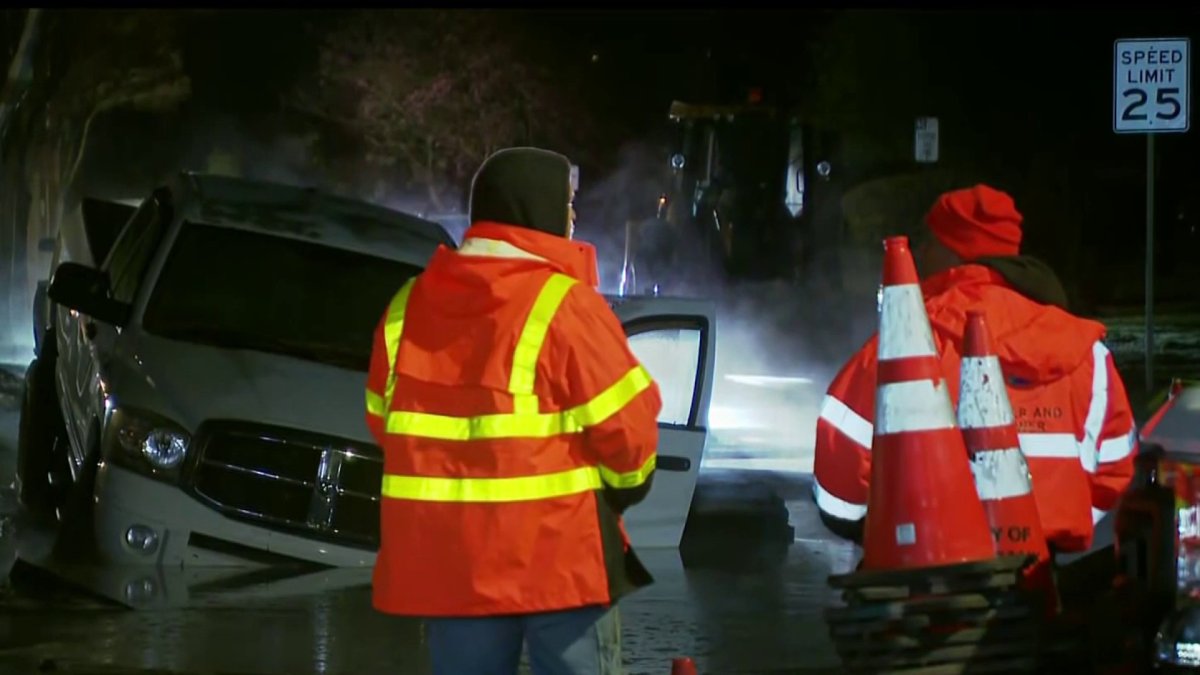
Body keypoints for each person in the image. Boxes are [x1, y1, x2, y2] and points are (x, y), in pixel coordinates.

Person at [364, 147, 663, 675]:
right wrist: (624, 487)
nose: (573, 218)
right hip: (559, 565)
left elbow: (387, 425)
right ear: (537, 210)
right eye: (568, 204)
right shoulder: (566, 305)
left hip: (453, 567)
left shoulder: (407, 304)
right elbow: (630, 434)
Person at [812, 184, 1138, 557]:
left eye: (928, 241)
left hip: (925, 569)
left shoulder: (907, 341)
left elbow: (840, 473)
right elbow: (1115, 468)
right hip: (1040, 572)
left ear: (953, 249)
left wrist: (871, 526)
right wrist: (1049, 523)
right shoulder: (1088, 354)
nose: (920, 253)